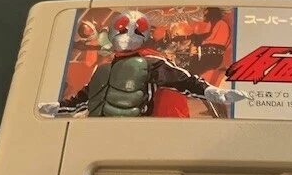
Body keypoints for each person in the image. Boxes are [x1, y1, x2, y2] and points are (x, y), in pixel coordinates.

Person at [39, 10, 249, 118]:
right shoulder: (104, 70)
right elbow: (83, 98)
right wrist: (58, 107)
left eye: (135, 30)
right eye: (123, 29)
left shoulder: (151, 63)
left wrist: (212, 92)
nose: (128, 35)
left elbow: (184, 81)